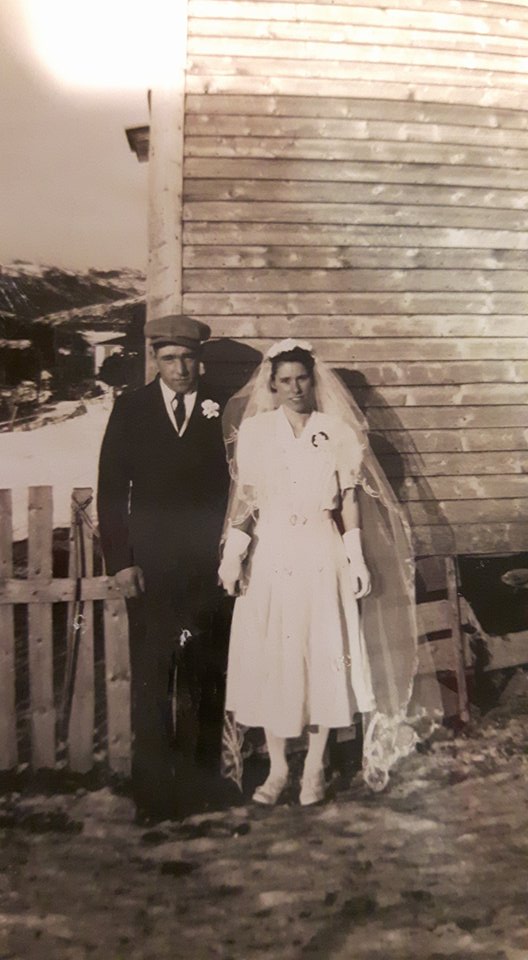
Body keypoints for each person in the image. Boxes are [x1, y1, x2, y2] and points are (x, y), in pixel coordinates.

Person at [218, 339, 442, 805]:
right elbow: (247, 499)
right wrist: (234, 554)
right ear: (272, 385)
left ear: (313, 381)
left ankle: (315, 768)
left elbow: (349, 501)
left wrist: (356, 557)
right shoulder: (257, 432)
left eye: (302, 378)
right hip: (272, 552)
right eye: (285, 380)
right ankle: (278, 769)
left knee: (324, 654)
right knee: (273, 655)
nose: (295, 388)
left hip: (321, 552)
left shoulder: (336, 431)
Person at [97, 315, 230, 821]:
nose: (180, 368)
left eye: (189, 358)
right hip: (148, 566)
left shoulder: (223, 412)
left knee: (203, 673)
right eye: (170, 358)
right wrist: (121, 562)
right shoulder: (131, 410)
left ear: (201, 360)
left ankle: (200, 785)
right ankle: (153, 792)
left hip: (207, 568)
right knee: (154, 674)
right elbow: (111, 491)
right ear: (154, 360)